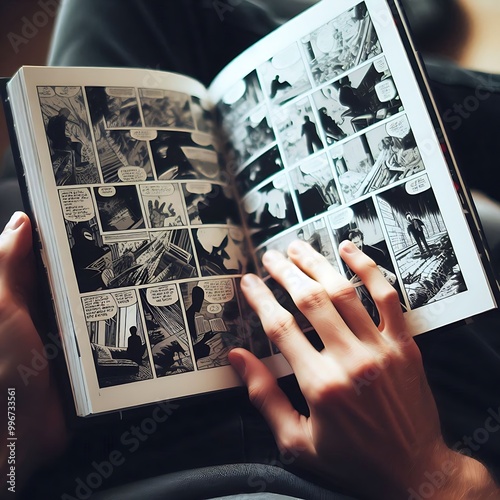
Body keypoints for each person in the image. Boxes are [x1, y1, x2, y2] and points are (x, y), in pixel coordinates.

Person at [5, 0, 500, 498]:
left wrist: (16, 443)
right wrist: (430, 474)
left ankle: (380, 43)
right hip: (362, 436)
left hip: (53, 422)